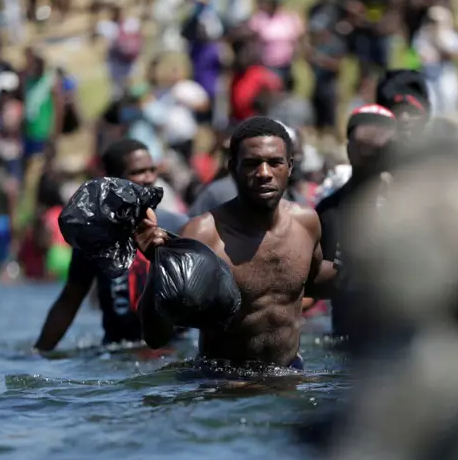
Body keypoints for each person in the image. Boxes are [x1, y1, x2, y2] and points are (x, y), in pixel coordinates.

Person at [135, 117, 337, 369]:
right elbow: (156, 338)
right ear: (233, 168)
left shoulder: (307, 222)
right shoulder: (202, 235)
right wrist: (158, 267)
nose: (264, 173)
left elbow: (314, 280)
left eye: (275, 163)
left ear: (290, 166)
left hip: (289, 374)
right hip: (223, 383)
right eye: (252, 164)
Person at [34, 139, 188, 351]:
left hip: (171, 349)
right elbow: (70, 300)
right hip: (117, 350)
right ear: (113, 179)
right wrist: (40, 352)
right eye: (139, 171)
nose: (150, 178)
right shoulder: (96, 237)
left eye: (153, 170)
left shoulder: (177, 226)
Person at [315, 105, 397, 336]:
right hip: (348, 344)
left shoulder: (415, 206)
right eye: (362, 143)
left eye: (380, 144)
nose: (370, 151)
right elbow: (314, 287)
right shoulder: (328, 211)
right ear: (348, 146)